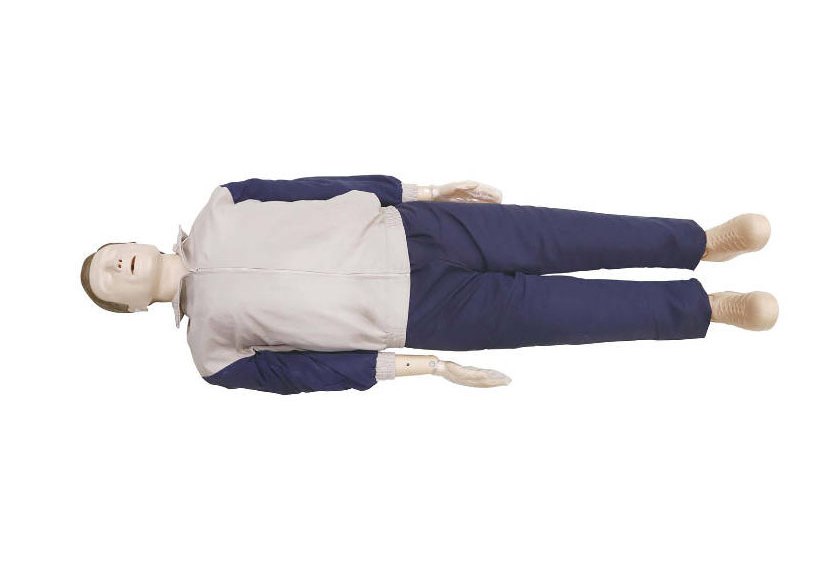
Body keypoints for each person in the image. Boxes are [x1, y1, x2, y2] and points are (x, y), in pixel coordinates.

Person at [80, 175, 778, 395]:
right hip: (420, 313)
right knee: (566, 310)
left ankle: (701, 242)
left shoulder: (223, 203)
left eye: (112, 255)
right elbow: (310, 373)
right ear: (131, 306)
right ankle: (709, 308)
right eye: (111, 280)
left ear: (134, 241)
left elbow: (320, 187)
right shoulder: (213, 357)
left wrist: (422, 189)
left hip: (415, 230)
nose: (118, 266)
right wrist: (425, 366)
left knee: (563, 232)